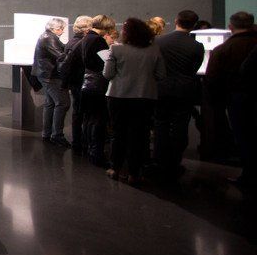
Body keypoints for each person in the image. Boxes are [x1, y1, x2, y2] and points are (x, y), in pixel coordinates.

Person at [103, 17, 166, 184]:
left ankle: (115, 168)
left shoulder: (116, 49)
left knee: (118, 133)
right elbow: (161, 75)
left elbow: (107, 74)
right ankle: (134, 172)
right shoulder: (154, 50)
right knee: (140, 135)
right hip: (145, 97)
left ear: (127, 33)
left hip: (118, 96)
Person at [205, 11, 257, 191]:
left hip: (237, 98)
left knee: (244, 136)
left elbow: (212, 78)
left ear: (231, 27)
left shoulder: (224, 49)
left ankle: (249, 174)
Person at [153, 10, 205, 180]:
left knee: (161, 125)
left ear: (176, 20)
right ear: (194, 25)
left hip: (161, 89)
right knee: (180, 126)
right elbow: (194, 69)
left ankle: (160, 161)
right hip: (184, 91)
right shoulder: (197, 46)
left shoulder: (159, 41)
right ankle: (174, 162)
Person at [80, 15, 117, 166]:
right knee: (98, 120)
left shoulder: (86, 38)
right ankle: (96, 154)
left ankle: (89, 149)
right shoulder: (97, 40)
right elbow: (105, 64)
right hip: (97, 84)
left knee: (89, 119)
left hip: (87, 83)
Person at [32, 18, 70, 146]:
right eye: (61, 28)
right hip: (50, 75)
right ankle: (57, 135)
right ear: (55, 29)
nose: (63, 31)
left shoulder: (47, 36)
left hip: (46, 74)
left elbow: (62, 49)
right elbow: (61, 55)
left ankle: (47, 133)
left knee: (50, 104)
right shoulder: (49, 38)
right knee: (63, 103)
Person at [62, 15, 94, 152]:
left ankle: (77, 141)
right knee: (84, 113)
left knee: (77, 112)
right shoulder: (83, 43)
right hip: (81, 81)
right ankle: (84, 142)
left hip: (74, 82)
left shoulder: (70, 42)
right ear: (87, 29)